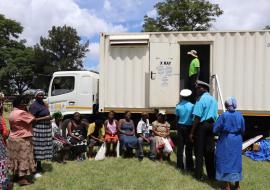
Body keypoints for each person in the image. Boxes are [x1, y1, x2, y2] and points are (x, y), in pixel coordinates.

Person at [213, 97, 245, 190]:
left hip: (226, 140)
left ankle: (227, 186)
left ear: (226, 105)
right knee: (236, 161)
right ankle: (237, 185)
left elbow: (215, 129)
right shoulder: (240, 115)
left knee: (225, 161)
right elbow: (243, 129)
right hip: (237, 140)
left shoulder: (224, 115)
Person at [189, 81, 218, 180]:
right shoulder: (213, 100)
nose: (196, 90)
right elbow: (215, 115)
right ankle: (211, 175)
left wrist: (192, 132)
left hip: (202, 126)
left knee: (199, 151)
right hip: (211, 126)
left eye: (198, 88)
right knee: (210, 151)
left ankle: (198, 175)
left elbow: (197, 117)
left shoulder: (200, 99)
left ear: (204, 89)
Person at [7, 96, 36, 186]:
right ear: (20, 104)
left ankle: (15, 176)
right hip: (22, 139)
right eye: (24, 103)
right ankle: (22, 180)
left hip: (13, 138)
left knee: (15, 159)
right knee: (23, 159)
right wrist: (27, 110)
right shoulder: (22, 113)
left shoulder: (12, 112)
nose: (26, 104)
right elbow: (33, 119)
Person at [29, 90, 53, 177]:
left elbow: (47, 114)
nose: (42, 96)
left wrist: (50, 118)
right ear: (35, 96)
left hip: (45, 129)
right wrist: (45, 118)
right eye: (39, 95)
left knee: (42, 148)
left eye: (43, 95)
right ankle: (34, 169)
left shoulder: (44, 104)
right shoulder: (34, 106)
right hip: (38, 129)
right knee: (37, 148)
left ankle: (39, 166)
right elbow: (31, 119)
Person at [175, 89, 194, 170]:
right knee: (189, 147)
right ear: (189, 97)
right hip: (189, 127)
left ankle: (180, 165)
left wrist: (177, 127)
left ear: (182, 97)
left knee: (180, 146)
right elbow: (193, 117)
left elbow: (177, 117)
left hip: (180, 126)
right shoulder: (192, 106)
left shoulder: (178, 106)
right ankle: (189, 166)